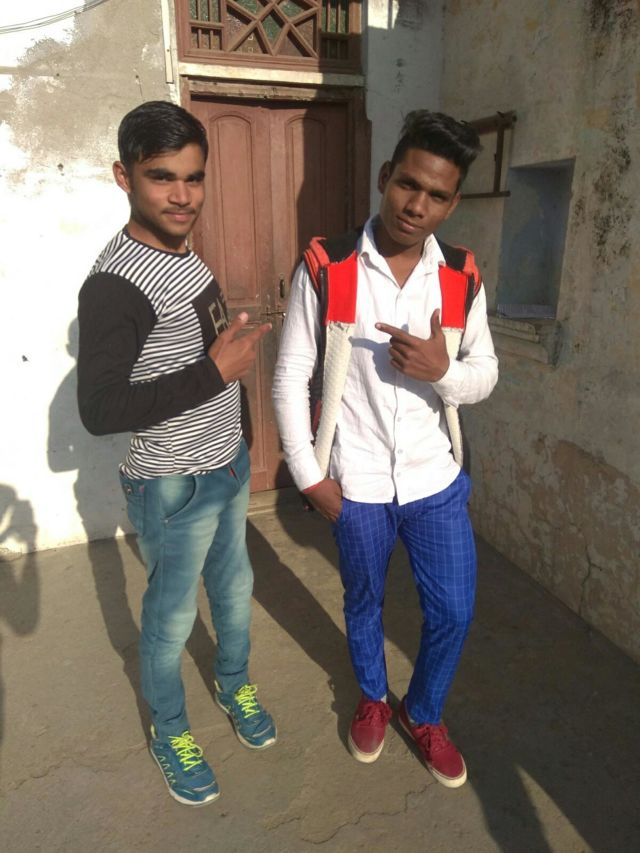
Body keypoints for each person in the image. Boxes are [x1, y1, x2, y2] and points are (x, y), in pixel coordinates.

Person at [272, 110, 498, 788]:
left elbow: (485, 372)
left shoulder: (459, 276)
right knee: (364, 599)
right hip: (358, 481)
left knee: (453, 609)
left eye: (436, 195)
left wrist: (443, 371)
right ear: (384, 177)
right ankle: (373, 697)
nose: (416, 205)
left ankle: (422, 712)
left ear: (452, 203)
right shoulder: (329, 265)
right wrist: (309, 476)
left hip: (435, 479)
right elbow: (290, 374)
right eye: (408, 184)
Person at [77, 100, 275, 807]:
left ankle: (233, 682)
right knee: (170, 621)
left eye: (194, 178)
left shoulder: (184, 250)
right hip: (171, 484)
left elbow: (203, 351)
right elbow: (99, 410)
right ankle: (170, 730)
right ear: (123, 176)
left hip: (224, 466)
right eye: (162, 177)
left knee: (235, 591)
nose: (183, 195)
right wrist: (214, 374)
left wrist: (239, 434)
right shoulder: (114, 284)